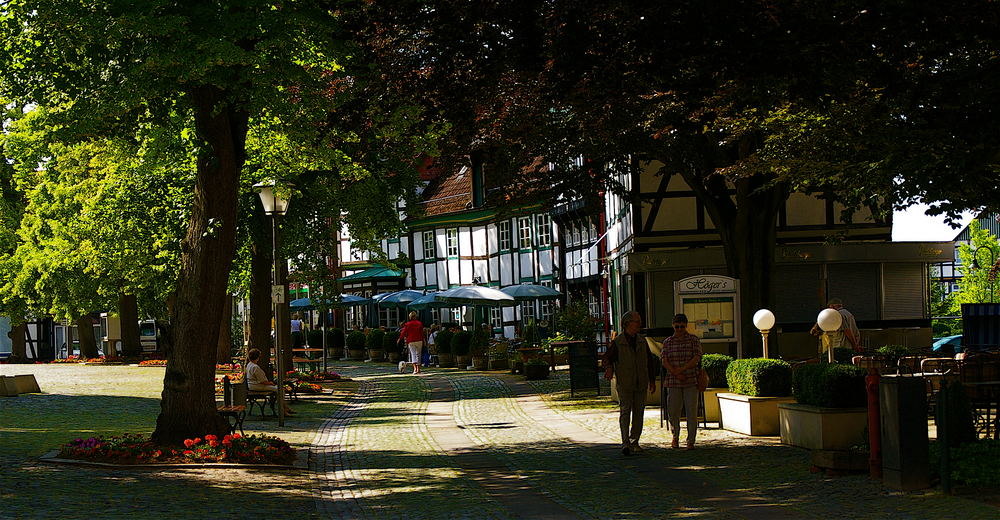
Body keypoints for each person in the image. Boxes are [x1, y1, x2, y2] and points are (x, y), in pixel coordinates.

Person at [602, 311, 658, 455]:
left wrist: (652, 380)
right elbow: (607, 358)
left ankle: (635, 441)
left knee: (639, 413)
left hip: (641, 382)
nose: (640, 324)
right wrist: (609, 369)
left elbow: (649, 362)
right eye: (637, 321)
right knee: (625, 412)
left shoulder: (641, 340)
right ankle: (625, 442)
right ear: (628, 324)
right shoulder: (618, 342)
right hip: (625, 382)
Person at [661, 313, 703, 450]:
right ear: (673, 326)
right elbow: (664, 360)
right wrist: (675, 372)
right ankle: (675, 436)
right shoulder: (667, 342)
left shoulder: (693, 340)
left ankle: (691, 440)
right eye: (677, 327)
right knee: (673, 410)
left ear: (686, 326)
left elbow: (697, 357)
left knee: (691, 411)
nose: (679, 329)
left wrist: (682, 369)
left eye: (682, 327)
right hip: (673, 381)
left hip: (690, 380)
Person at [245, 348, 295, 416]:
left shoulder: (249, 365)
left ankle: (284, 408)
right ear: (258, 357)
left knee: (278, 389)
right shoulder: (255, 367)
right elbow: (262, 381)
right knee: (280, 389)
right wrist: (270, 383)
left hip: (252, 385)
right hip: (257, 386)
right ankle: (283, 410)